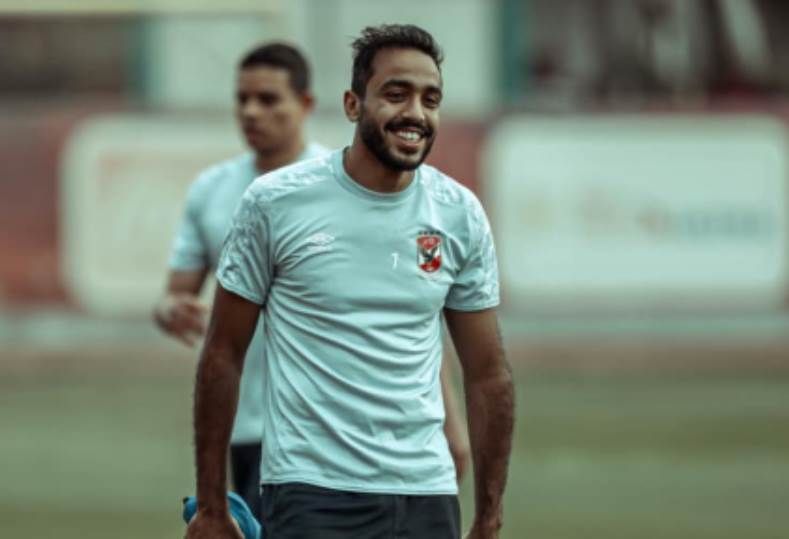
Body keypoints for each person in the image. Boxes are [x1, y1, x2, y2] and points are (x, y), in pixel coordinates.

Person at [186, 24, 513, 539]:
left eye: (430, 99)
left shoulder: (459, 213)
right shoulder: (275, 203)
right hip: (312, 493)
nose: (415, 113)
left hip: (427, 495)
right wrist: (211, 506)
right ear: (352, 104)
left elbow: (487, 374)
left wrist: (489, 517)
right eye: (396, 94)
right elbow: (223, 353)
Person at [153, 42, 329, 518]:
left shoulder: (341, 185)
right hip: (249, 424)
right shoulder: (212, 191)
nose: (251, 112)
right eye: (243, 99)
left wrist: (450, 421)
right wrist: (171, 311)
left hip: (333, 423)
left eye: (268, 99)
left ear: (305, 104)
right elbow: (174, 296)